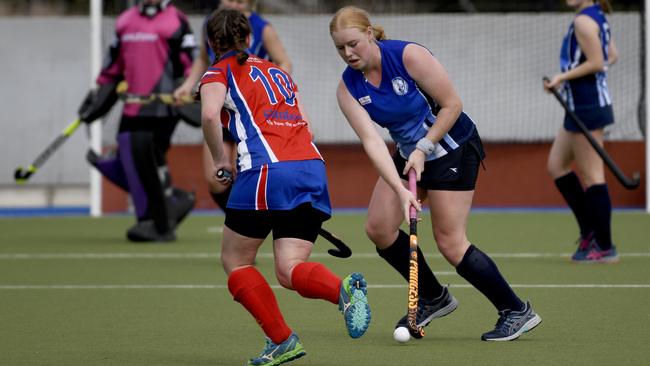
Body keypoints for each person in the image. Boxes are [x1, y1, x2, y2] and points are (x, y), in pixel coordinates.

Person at [330, 6, 541, 341]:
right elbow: (372, 143)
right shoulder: (348, 89)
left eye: (353, 43)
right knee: (379, 228)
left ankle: (515, 311)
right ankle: (433, 297)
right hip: (407, 153)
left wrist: (423, 148)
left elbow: (452, 104)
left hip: (451, 147)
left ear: (369, 33)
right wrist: (401, 190)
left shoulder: (408, 56)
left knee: (450, 242)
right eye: (340, 48)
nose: (348, 53)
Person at [199, 8, 371, 365]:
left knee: (236, 260)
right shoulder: (278, 71)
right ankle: (343, 290)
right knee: (290, 269)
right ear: (249, 38)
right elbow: (304, 122)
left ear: (212, 43)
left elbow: (209, 115)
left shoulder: (218, 71)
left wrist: (220, 160)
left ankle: (282, 341)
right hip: (310, 168)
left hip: (266, 171)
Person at [78, 0, 197, 242]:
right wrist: (99, 93)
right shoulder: (125, 21)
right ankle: (173, 202)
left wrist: (189, 90)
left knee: (144, 158)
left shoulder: (177, 20)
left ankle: (155, 222)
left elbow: (191, 63)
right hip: (133, 106)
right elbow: (114, 63)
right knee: (127, 159)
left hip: (164, 108)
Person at [174, 0, 292, 212]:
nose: (233, 5)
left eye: (239, 1)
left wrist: (271, 89)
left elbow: (284, 62)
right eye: (229, 0)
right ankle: (240, 221)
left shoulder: (262, 28)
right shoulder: (211, 24)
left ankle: (250, 224)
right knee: (215, 179)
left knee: (244, 174)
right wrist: (188, 85)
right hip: (221, 108)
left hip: (249, 112)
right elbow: (203, 58)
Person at [543, 0, 619, 263]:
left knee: (592, 176)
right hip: (580, 104)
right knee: (557, 166)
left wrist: (562, 78)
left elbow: (598, 62)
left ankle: (605, 246)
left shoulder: (583, 21)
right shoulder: (595, 16)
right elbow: (612, 56)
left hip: (588, 106)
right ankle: (590, 231)